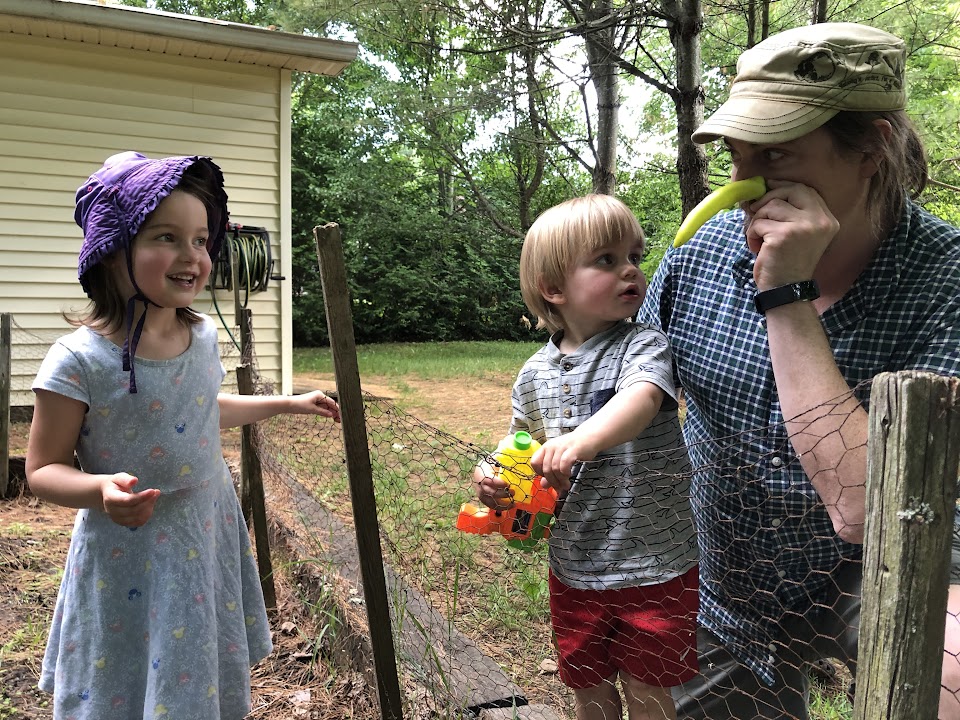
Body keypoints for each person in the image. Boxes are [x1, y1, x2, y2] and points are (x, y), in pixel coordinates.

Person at [635, 22, 960, 719]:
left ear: (870, 150)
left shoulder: (948, 283)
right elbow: (637, 392)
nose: (744, 184)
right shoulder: (698, 258)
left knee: (954, 669)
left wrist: (785, 295)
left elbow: (867, 511)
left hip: (889, 566)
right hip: (725, 577)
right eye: (737, 155)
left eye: (776, 153)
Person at [25, 151, 341, 720]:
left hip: (202, 528)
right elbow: (43, 469)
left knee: (193, 667)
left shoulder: (203, 337)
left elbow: (198, 410)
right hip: (127, 549)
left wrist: (287, 403)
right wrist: (99, 489)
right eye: (166, 237)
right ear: (112, 249)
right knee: (122, 676)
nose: (192, 255)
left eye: (201, 239)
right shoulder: (78, 360)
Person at [476, 194, 699, 720]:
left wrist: (580, 441)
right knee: (588, 687)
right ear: (554, 288)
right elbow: (518, 445)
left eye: (634, 257)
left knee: (649, 690)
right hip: (574, 565)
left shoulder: (643, 345)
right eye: (606, 259)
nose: (631, 270)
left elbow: (642, 398)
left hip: (654, 563)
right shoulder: (533, 373)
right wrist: (492, 475)